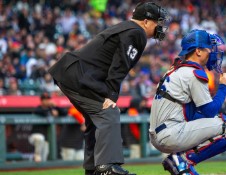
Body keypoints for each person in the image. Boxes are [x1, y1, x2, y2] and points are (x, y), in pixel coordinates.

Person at [48, 2, 169, 175]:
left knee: (96, 120)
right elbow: (119, 66)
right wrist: (111, 97)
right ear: (146, 21)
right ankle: (106, 166)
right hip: (78, 75)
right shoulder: (137, 33)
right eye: (158, 22)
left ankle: (93, 168)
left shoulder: (126, 28)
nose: (160, 26)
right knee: (109, 112)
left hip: (71, 72)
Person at [149, 29, 226, 175]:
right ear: (198, 51)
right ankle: (181, 161)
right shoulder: (193, 73)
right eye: (209, 48)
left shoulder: (175, 70)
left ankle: (183, 166)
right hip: (171, 133)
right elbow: (209, 112)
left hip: (163, 132)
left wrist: (221, 117)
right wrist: (223, 87)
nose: (212, 52)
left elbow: (194, 115)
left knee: (225, 122)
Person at [29, 91, 67, 162]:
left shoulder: (52, 108)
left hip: (46, 139)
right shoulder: (38, 108)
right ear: (41, 100)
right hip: (35, 136)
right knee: (40, 138)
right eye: (45, 99)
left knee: (43, 159)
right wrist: (51, 112)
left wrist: (55, 106)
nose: (47, 101)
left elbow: (65, 112)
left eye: (48, 99)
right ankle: (36, 156)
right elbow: (41, 112)